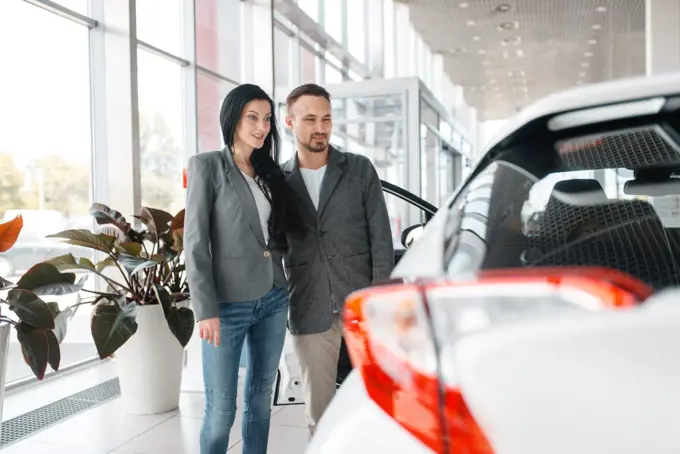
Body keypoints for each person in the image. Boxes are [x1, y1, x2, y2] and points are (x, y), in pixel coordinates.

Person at [184, 83, 305, 454]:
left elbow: (276, 239)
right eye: (252, 117)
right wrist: (205, 310)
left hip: (272, 298)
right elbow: (195, 243)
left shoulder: (271, 173)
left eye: (267, 119)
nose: (261, 127)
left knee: (261, 403)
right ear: (233, 118)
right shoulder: (207, 166)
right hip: (226, 306)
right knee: (221, 412)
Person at [281, 83, 394, 436]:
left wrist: (380, 301)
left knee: (380, 403)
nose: (321, 128)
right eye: (311, 119)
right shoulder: (277, 181)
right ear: (289, 122)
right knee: (319, 413)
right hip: (308, 305)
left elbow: (381, 238)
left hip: (360, 304)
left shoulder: (359, 169)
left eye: (326, 118)